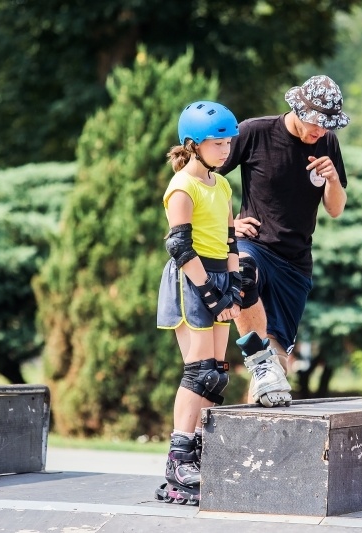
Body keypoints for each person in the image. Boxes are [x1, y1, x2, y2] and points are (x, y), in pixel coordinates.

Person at [217, 75, 349, 407]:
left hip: (296, 264)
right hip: (254, 245)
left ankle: (250, 446)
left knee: (275, 372)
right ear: (297, 108)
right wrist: (228, 225)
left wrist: (332, 180)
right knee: (244, 273)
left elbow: (335, 209)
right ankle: (258, 357)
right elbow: (207, 178)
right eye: (315, 123)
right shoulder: (255, 132)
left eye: (326, 125)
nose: (319, 131)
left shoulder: (328, 143)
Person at [155, 101, 241, 504]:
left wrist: (236, 284)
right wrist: (210, 291)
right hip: (191, 280)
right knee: (200, 371)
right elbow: (178, 245)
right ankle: (179, 458)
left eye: (228, 142)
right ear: (193, 144)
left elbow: (229, 241)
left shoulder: (221, 185)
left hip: (219, 277)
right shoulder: (182, 186)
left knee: (218, 373)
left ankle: (201, 452)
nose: (225, 150)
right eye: (216, 143)